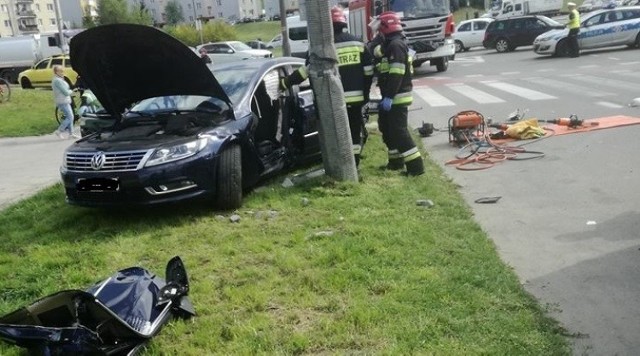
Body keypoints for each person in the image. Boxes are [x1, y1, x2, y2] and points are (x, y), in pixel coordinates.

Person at [280, 6, 374, 166]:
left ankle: (339, 164)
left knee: (336, 133)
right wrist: (365, 95)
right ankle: (354, 165)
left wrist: (284, 83)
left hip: (332, 102)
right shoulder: (359, 44)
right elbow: (369, 73)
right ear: (343, 23)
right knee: (353, 132)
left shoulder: (319, 49)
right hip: (356, 99)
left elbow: (304, 72)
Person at [375, 11, 424, 176]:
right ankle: (395, 162)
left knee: (399, 132)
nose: (378, 32)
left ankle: (416, 167)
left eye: (380, 29)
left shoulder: (396, 46)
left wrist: (389, 96)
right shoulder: (392, 45)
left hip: (396, 96)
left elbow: (396, 73)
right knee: (387, 129)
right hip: (391, 96)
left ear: (386, 28)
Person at [52, 65, 78, 139]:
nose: (63, 72)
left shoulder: (60, 79)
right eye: (61, 71)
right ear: (56, 72)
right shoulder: (57, 80)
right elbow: (65, 92)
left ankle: (71, 134)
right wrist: (72, 91)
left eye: (63, 71)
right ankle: (59, 131)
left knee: (70, 116)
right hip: (62, 101)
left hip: (65, 101)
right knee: (70, 116)